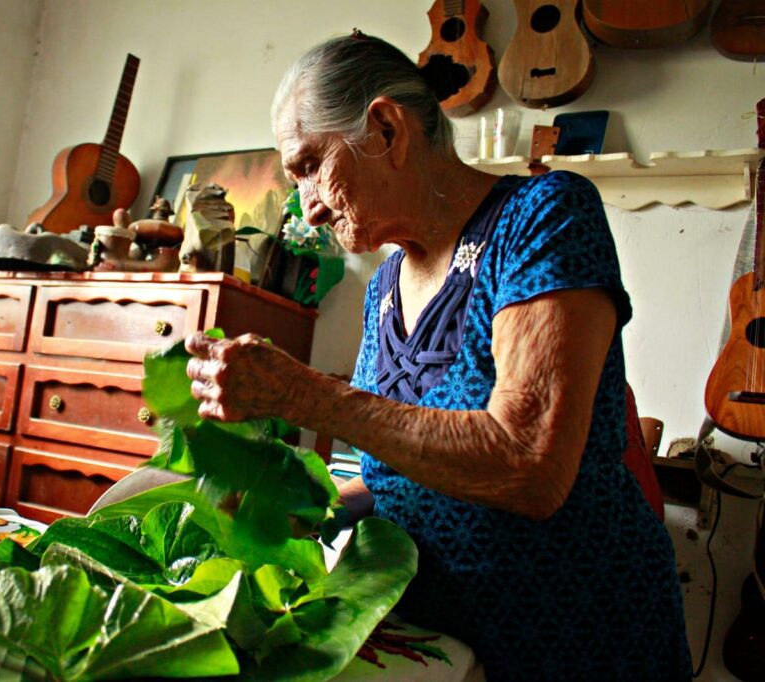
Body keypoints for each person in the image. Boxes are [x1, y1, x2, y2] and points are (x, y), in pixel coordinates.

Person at [184, 31, 692, 682]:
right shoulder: (384, 289)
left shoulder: (543, 217)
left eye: (310, 165)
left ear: (388, 129)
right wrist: (298, 508)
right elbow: (400, 472)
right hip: (439, 639)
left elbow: (530, 466)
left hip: (576, 640)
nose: (308, 206)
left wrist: (304, 395)